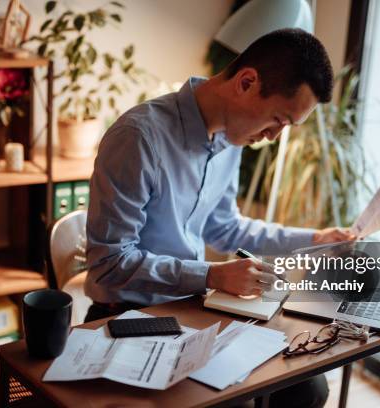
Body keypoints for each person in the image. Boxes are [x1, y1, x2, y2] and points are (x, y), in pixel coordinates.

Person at [85, 28, 355, 407]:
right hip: (131, 315)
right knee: (240, 402)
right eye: (278, 120)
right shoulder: (138, 138)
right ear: (246, 82)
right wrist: (211, 275)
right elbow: (109, 264)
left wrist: (313, 240)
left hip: (190, 307)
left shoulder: (229, 140)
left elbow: (226, 228)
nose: (274, 137)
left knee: (309, 388)